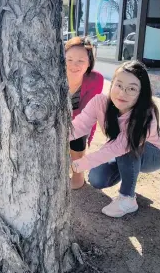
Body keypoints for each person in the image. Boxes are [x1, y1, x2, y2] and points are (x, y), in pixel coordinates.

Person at [70, 60, 160, 218]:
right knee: (97, 178)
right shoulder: (100, 102)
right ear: (112, 84)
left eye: (131, 88)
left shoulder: (146, 114)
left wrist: (79, 164)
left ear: (141, 92)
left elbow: (120, 145)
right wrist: (58, 138)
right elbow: (80, 125)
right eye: (119, 85)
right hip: (123, 150)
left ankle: (127, 199)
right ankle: (130, 174)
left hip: (153, 154)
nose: (122, 93)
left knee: (129, 146)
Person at [65, 36, 104, 189]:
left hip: (76, 127)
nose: (74, 65)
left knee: (79, 127)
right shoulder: (53, 78)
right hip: (52, 124)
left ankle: (77, 173)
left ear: (89, 63)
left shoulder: (96, 80)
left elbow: (89, 116)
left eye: (81, 60)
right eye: (69, 59)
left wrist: (86, 142)